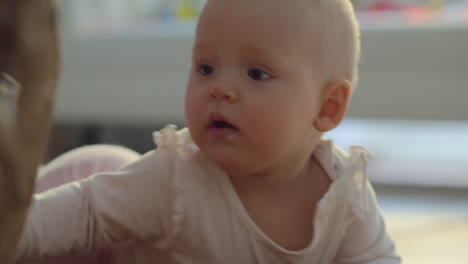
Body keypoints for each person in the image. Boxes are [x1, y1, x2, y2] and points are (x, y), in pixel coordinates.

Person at [16, 0, 401, 263]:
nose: (220, 88)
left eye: (256, 73)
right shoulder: (174, 180)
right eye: (205, 68)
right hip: (91, 207)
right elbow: (83, 211)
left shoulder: (344, 195)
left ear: (328, 107)